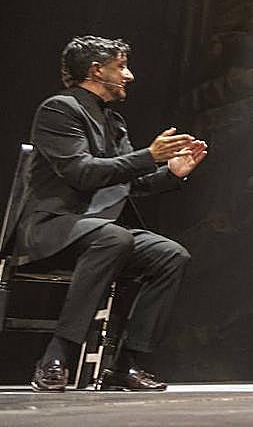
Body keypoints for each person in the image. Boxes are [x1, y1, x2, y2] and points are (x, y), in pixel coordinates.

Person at [15, 36, 207, 393]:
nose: (129, 76)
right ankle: (58, 355)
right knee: (114, 236)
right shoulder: (59, 109)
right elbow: (82, 173)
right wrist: (149, 156)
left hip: (100, 233)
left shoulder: (113, 122)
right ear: (96, 70)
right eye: (121, 66)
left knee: (170, 255)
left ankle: (126, 363)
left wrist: (172, 172)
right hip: (54, 227)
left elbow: (128, 182)